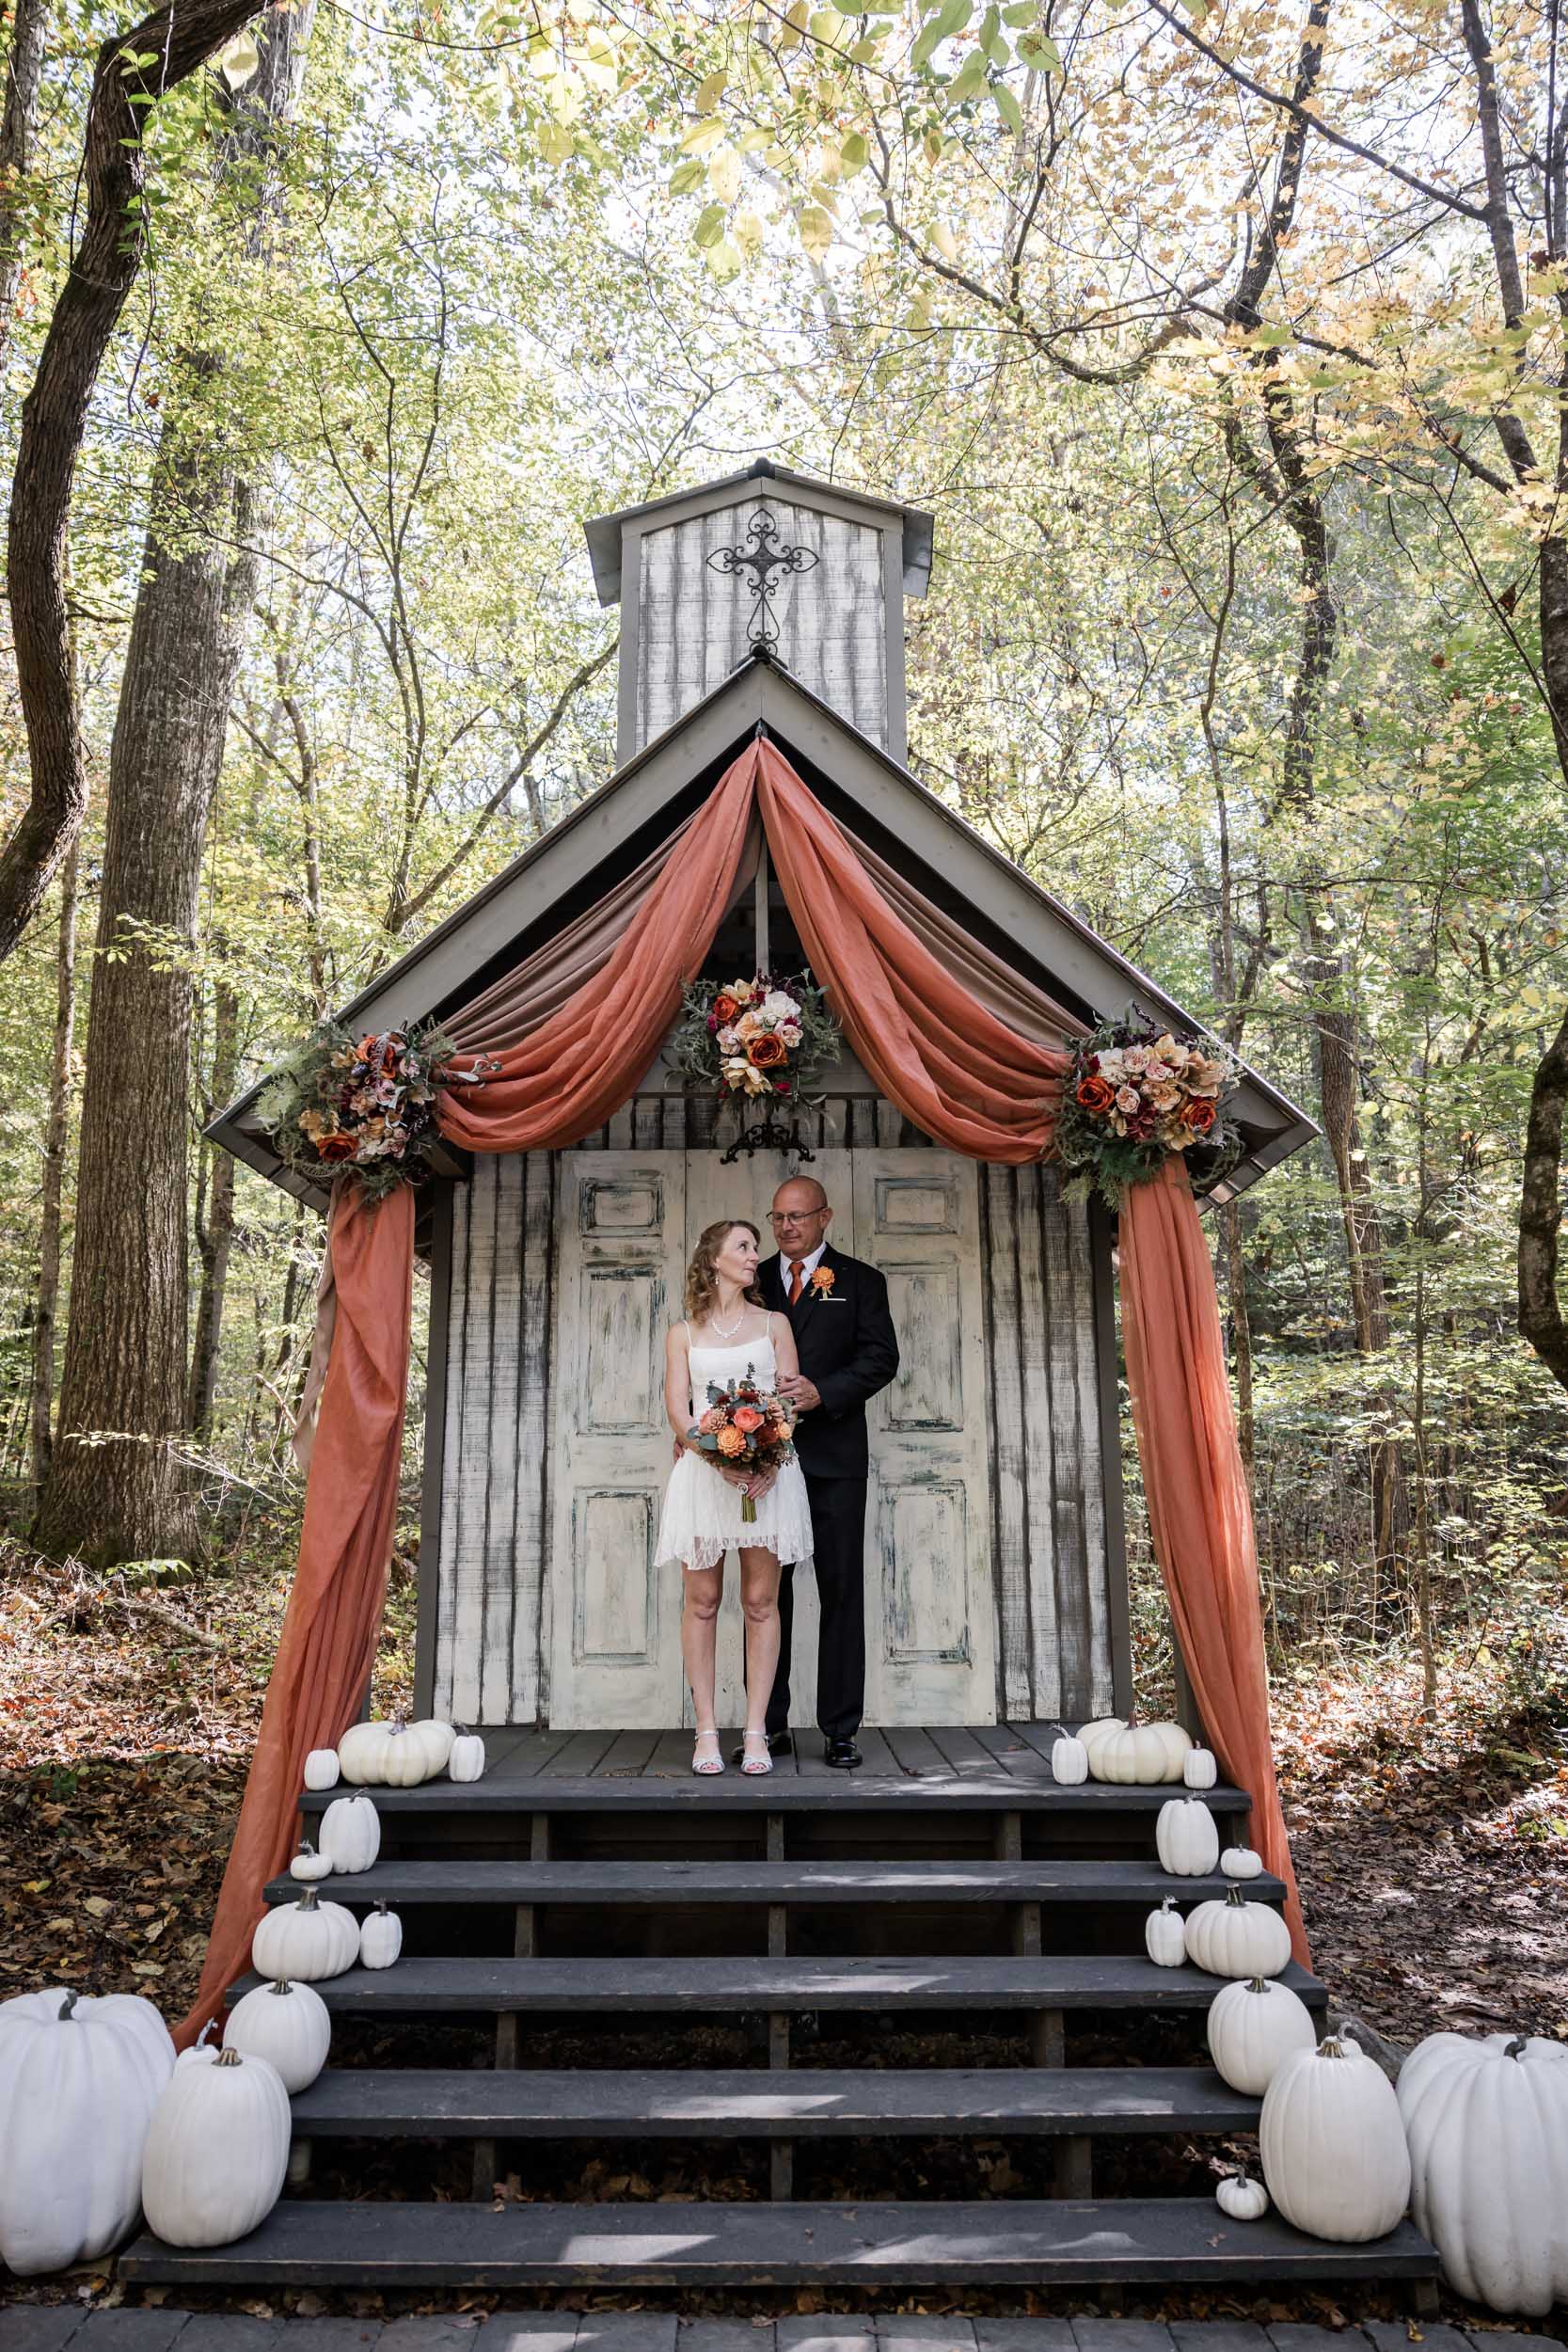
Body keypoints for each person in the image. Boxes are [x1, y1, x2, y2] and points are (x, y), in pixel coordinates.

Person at [747, 1174, 899, 1770]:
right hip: (762, 1463)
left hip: (835, 1460)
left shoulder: (861, 1281)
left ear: (824, 1217)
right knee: (766, 1597)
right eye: (777, 1217)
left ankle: (840, 1729)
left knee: (839, 1593)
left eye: (798, 1217)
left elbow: (880, 1358)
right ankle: (770, 1725)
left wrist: (823, 1392)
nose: (786, 1227)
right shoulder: (752, 1281)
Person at [654, 1217, 815, 1777]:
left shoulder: (775, 1324)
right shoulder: (683, 1332)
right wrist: (718, 1457)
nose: (754, 1255)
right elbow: (679, 1410)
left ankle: (754, 1733)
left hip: (767, 1480)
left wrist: (766, 1458)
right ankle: (704, 1732)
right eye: (744, 1247)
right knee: (701, 1602)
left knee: (760, 1604)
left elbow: (788, 1402)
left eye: (753, 1248)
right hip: (705, 1478)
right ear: (715, 1258)